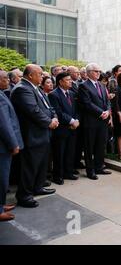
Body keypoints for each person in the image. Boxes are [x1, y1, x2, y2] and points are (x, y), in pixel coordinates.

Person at [11, 64, 59, 208]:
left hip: (42, 133)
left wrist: (54, 117)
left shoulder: (34, 87)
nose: (43, 76)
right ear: (30, 75)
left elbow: (48, 107)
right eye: (40, 74)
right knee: (30, 167)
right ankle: (24, 195)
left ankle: (37, 187)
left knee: (41, 164)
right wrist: (49, 122)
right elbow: (33, 111)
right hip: (32, 135)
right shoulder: (22, 89)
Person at [78, 63, 112, 180]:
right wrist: (101, 112)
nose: (99, 73)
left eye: (99, 71)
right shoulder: (84, 86)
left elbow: (107, 100)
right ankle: (90, 170)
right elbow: (87, 103)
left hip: (102, 121)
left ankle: (99, 167)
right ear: (88, 73)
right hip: (91, 121)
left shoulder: (101, 85)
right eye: (96, 71)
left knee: (100, 145)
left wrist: (107, 111)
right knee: (89, 147)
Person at [48, 72, 80, 185]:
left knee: (70, 152)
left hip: (72, 128)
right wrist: (72, 121)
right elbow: (58, 112)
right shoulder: (53, 94)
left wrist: (76, 120)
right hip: (61, 129)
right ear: (60, 82)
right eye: (67, 80)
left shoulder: (71, 93)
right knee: (59, 153)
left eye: (71, 79)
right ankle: (58, 175)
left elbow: (76, 110)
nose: (70, 81)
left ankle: (68, 172)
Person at [0, 88, 23, 221]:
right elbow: (4, 124)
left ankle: (1, 204)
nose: (7, 80)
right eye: (3, 78)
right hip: (3, 146)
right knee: (1, 178)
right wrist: (13, 144)